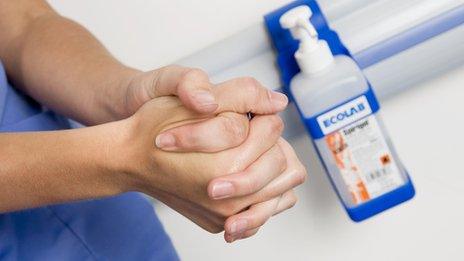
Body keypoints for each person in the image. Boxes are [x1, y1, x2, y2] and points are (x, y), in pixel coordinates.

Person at [0, 1, 307, 260]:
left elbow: (24, 21)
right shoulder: (124, 158)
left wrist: (127, 96)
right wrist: (124, 155)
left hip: (115, 233)